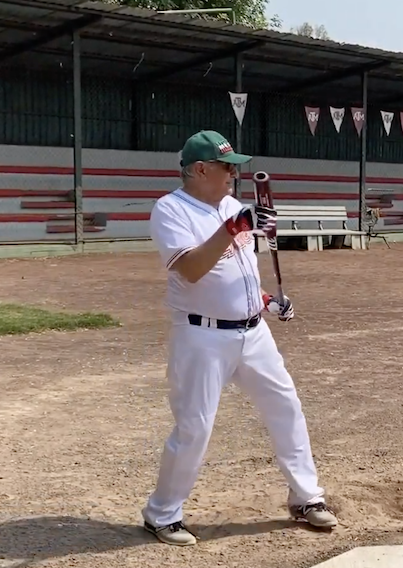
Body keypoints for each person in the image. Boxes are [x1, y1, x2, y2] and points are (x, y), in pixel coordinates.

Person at [141, 129, 337, 546]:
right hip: (201, 335)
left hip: (253, 332)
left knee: (286, 407)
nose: (233, 174)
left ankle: (306, 497)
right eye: (227, 167)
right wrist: (233, 227)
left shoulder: (232, 206)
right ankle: (162, 513)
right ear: (200, 169)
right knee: (194, 426)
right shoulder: (170, 210)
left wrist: (267, 301)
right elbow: (191, 270)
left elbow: (242, 272)